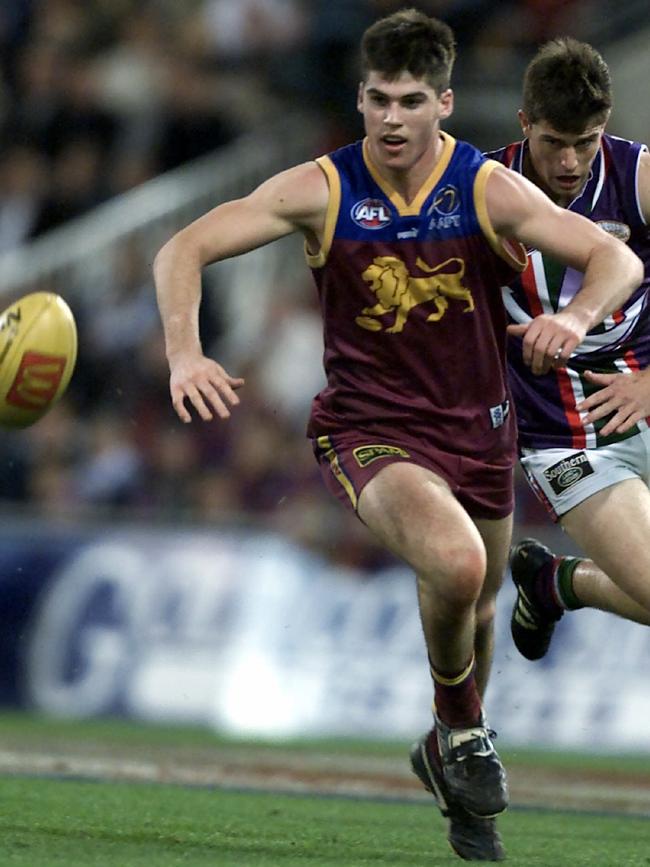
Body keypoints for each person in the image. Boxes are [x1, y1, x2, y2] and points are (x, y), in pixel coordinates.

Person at [153, 10, 642, 862]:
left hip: (484, 430)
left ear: (444, 104)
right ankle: (461, 733)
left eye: (410, 100)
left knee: (480, 603)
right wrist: (184, 352)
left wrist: (575, 315)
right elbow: (184, 248)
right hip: (371, 430)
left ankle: (454, 765)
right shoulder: (322, 188)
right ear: (360, 96)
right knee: (454, 564)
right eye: (377, 98)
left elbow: (618, 261)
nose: (389, 117)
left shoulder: (486, 188)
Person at [486, 39, 650, 673]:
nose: (572, 160)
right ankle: (560, 585)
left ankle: (557, 583)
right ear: (525, 123)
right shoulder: (482, 188)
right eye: (555, 141)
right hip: (563, 434)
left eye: (586, 141)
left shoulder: (636, 177)